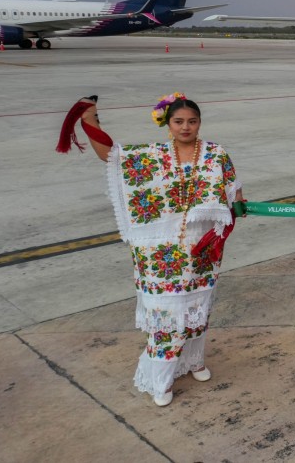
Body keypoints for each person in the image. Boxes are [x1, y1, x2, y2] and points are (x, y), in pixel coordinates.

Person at [64, 93, 242, 407]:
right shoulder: (154, 155)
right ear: (168, 124)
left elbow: (234, 190)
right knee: (166, 314)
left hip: (202, 250)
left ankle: (193, 361)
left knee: (199, 306)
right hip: (160, 254)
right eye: (178, 121)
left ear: (199, 123)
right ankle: (161, 379)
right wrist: (89, 120)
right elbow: (112, 156)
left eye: (192, 121)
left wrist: (237, 205)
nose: (185, 127)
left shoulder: (216, 154)